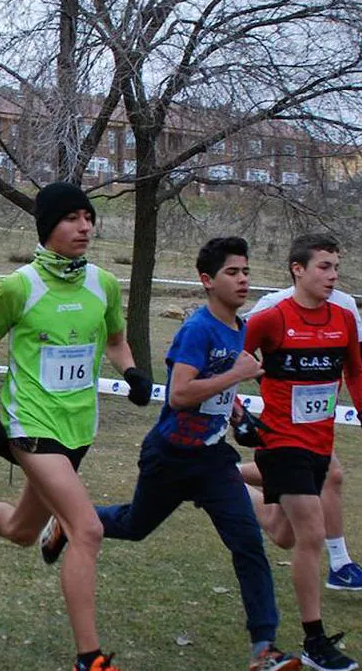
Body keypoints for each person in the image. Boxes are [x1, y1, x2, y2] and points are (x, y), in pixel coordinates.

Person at [65, 238, 296, 671]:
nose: (243, 279)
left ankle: (264, 649)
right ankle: (70, 521)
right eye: (232, 272)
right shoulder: (197, 329)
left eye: (245, 271)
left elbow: (219, 389)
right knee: (135, 526)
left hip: (213, 460)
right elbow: (182, 394)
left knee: (248, 543)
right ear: (207, 281)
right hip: (170, 457)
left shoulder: (239, 327)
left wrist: (239, 415)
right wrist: (239, 373)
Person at [0, 182, 152, 671]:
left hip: (78, 428)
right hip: (32, 425)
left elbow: (115, 339)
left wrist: (129, 370)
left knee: (19, 529)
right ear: (48, 227)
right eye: (71, 218)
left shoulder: (104, 284)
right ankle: (89, 659)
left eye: (88, 217)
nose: (84, 226)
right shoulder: (17, 287)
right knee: (86, 529)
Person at [241, 233, 362, 671]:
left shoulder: (342, 316)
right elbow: (226, 360)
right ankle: (314, 642)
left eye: (336, 266)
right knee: (312, 535)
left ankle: (226, 478)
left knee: (283, 534)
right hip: (281, 440)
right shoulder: (272, 316)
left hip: (320, 443)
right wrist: (237, 414)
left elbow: (356, 371)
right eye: (324, 266)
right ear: (297, 269)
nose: (333, 275)